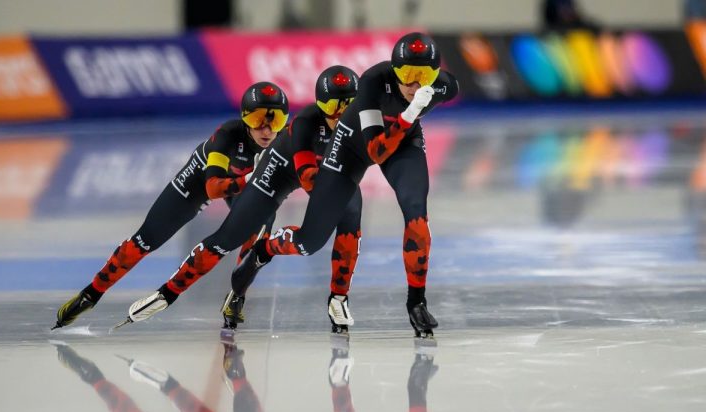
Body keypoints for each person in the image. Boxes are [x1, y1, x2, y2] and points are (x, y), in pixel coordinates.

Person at [231, 32, 459, 339]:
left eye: (424, 76)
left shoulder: (441, 86)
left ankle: (416, 303)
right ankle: (264, 249)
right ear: (394, 71)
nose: (416, 85)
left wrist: (410, 117)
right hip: (353, 147)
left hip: (403, 141)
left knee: (417, 214)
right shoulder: (372, 83)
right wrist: (409, 114)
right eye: (408, 76)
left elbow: (451, 86)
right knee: (310, 242)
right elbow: (376, 151)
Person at [114, 65, 362, 334]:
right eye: (333, 105)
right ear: (320, 104)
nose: (340, 113)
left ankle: (336, 296)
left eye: (348, 105)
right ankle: (168, 292)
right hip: (278, 171)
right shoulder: (305, 123)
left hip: (325, 176)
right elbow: (306, 176)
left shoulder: (364, 122)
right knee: (229, 237)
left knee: (328, 234)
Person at [51, 81, 290, 329]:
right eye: (258, 119)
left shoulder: (286, 142)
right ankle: (91, 294)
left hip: (241, 186)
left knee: (261, 226)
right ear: (243, 118)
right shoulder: (228, 135)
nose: (266, 129)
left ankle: (236, 296)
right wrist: (251, 178)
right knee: (146, 239)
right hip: (203, 179)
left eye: (276, 121)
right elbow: (213, 188)